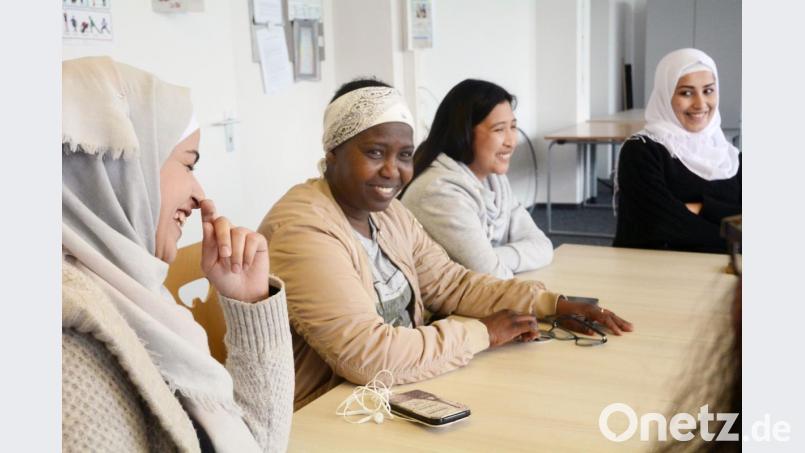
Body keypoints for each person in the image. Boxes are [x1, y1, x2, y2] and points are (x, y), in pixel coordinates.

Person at [259, 78, 633, 410]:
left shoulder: (387, 214)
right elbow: (367, 355)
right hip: (324, 411)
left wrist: (549, 303)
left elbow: (452, 283)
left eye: (404, 155)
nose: (392, 171)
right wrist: (482, 333)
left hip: (388, 392)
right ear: (333, 153)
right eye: (374, 152)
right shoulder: (303, 230)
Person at [61, 56, 293, 452]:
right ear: (115, 172)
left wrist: (250, 301)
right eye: (188, 165)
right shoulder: (71, 350)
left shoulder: (132, 293)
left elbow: (259, 444)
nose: (200, 195)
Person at [401, 79, 553, 279]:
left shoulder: (495, 181)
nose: (511, 141)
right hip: (442, 300)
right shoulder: (439, 191)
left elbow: (543, 247)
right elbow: (490, 275)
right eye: (499, 129)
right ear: (464, 133)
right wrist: (497, 261)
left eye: (513, 127)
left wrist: (494, 257)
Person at [613, 48, 741, 253]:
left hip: (723, 266)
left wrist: (701, 208)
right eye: (686, 93)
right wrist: (736, 235)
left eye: (708, 91)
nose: (700, 104)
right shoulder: (641, 150)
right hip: (653, 267)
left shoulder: (730, 157)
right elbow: (661, 225)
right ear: (666, 94)